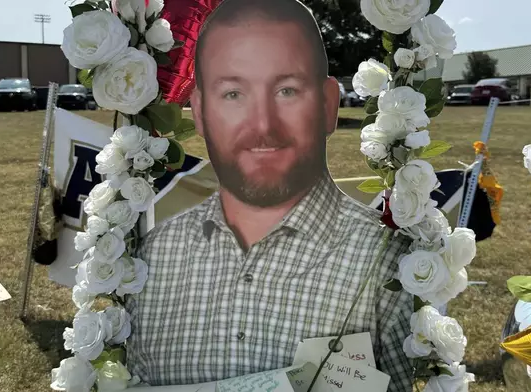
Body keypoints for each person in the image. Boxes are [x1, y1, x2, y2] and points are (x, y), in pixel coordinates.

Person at [126, 0, 414, 390]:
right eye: (232, 94)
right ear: (199, 111)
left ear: (329, 105)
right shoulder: (151, 258)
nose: (263, 123)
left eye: (287, 90)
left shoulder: (389, 267)